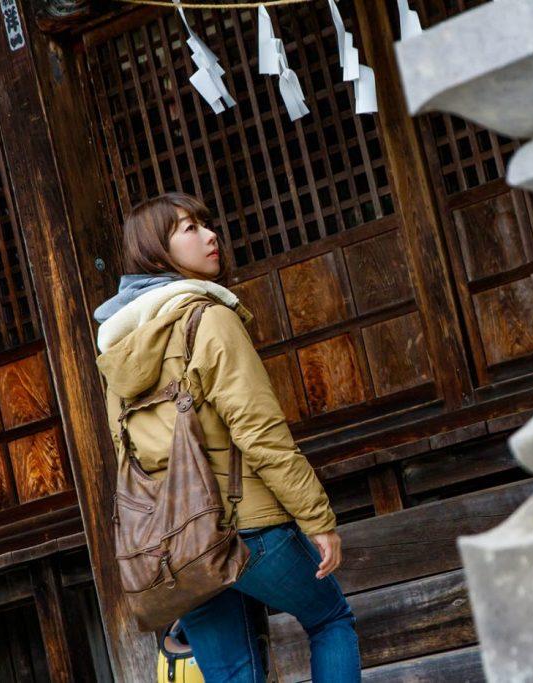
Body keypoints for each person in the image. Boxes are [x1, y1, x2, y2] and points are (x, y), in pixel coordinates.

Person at [94, 191, 362, 682]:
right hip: (249, 524)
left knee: (234, 672)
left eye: (204, 223)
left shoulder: (115, 347)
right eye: (189, 228)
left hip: (182, 544)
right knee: (330, 621)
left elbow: (125, 451)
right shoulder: (207, 317)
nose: (210, 235)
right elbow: (260, 431)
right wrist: (315, 517)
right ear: (156, 251)